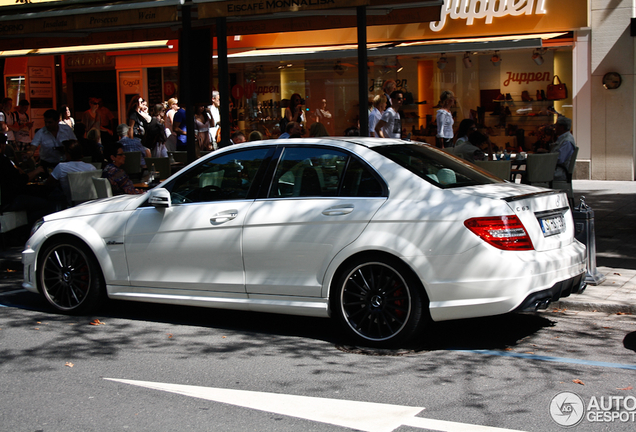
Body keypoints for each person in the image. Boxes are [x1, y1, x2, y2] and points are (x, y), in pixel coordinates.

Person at [0, 134, 56, 224]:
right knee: (47, 205)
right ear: (1, 145)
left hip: (6, 200)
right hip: (8, 201)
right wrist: (36, 171)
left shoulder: (5, 161)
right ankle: (29, 229)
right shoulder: (3, 161)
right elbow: (20, 181)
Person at [47, 140, 97, 206]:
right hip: (91, 203)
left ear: (68, 153)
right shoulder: (91, 168)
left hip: (70, 204)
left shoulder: (61, 167)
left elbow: (48, 183)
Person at [551, 116, 577, 181]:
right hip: (556, 169)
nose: (555, 128)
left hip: (559, 172)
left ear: (562, 127)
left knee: (532, 174)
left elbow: (560, 159)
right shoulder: (562, 139)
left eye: (556, 126)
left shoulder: (567, 141)